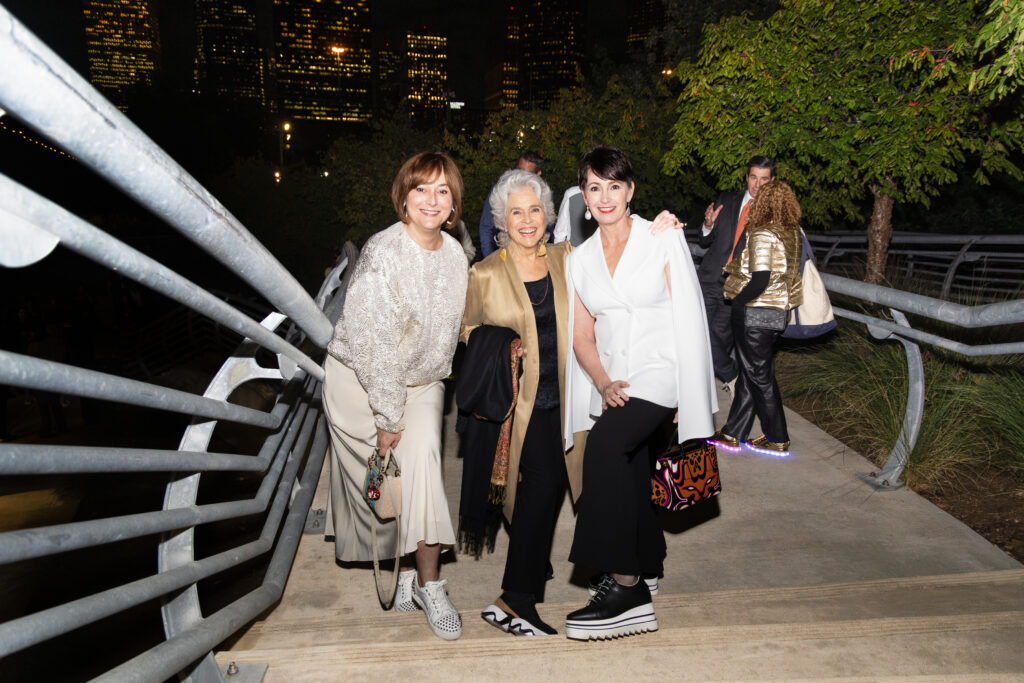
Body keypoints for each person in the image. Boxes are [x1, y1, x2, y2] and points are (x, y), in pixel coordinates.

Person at [563, 145, 717, 641]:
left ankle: (626, 589)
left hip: (662, 373)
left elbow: (689, 314)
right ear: (584, 196)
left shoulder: (661, 237)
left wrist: (691, 396)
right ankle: (647, 563)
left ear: (630, 190)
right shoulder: (580, 260)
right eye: (594, 187)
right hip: (614, 379)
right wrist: (603, 382)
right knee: (629, 466)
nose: (604, 197)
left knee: (607, 447)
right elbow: (583, 337)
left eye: (614, 185)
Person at [323, 151, 469, 641]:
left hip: (422, 381)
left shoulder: (455, 254)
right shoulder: (383, 251)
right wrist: (388, 417)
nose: (432, 200)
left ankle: (430, 583)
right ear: (403, 196)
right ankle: (405, 572)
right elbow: (372, 344)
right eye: (421, 189)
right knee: (392, 483)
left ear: (454, 203)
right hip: (361, 383)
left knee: (423, 458)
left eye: (442, 191)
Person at [712, 180, 803, 455]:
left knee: (760, 377)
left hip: (756, 312)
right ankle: (733, 432)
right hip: (777, 312)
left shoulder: (763, 233)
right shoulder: (792, 232)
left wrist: (738, 302)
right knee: (752, 372)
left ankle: (778, 437)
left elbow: (760, 279)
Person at [696, 156, 776, 395]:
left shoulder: (772, 214)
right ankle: (732, 375)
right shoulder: (727, 200)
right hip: (709, 279)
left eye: (763, 179)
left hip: (738, 289)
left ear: (772, 181)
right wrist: (708, 225)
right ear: (747, 177)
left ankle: (703, 391)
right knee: (695, 331)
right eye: (753, 177)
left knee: (715, 342)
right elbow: (705, 241)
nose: (757, 185)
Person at [478, 151, 543, 258]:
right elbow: (486, 227)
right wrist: (490, 259)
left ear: (538, 174)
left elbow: (548, 230)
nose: (520, 176)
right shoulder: (500, 190)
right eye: (518, 170)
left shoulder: (543, 194)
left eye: (526, 174)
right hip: (505, 255)